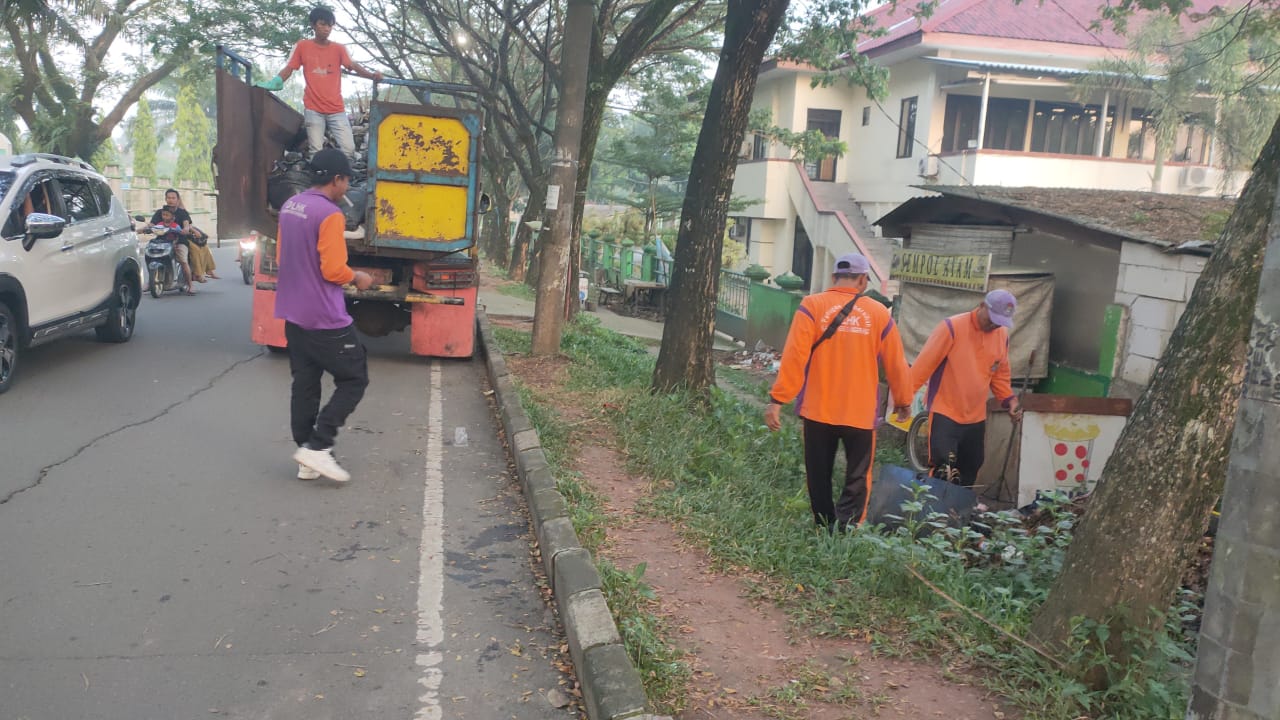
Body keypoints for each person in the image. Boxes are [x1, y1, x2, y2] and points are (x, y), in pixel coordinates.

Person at [764, 253, 913, 531]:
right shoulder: (880, 314)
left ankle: (823, 524)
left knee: (818, 473)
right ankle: (846, 528)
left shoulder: (811, 306)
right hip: (859, 414)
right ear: (862, 280)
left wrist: (777, 400)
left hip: (818, 410)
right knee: (858, 477)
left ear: (834, 278)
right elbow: (896, 362)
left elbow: (795, 357)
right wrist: (903, 400)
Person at [275, 149, 374, 482]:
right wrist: (358, 277)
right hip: (324, 317)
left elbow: (280, 255)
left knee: (305, 383)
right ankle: (319, 446)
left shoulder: (291, 206)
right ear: (337, 179)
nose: (346, 187)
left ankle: (306, 456)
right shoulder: (330, 215)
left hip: (293, 311)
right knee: (354, 378)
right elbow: (333, 270)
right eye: (346, 181)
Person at [909, 289, 1023, 489]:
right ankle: (934, 515)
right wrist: (903, 398)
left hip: (976, 416)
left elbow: (999, 374)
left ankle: (957, 515)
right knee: (944, 465)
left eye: (1000, 322)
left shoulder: (1001, 335)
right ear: (981, 305)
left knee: (972, 465)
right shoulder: (952, 327)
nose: (995, 324)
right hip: (946, 411)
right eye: (992, 318)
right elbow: (923, 366)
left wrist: (1009, 400)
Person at [257, 6, 382, 160]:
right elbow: (290, 68)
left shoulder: (339, 49)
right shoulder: (303, 46)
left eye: (330, 25)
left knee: (349, 149)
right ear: (313, 25)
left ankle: (342, 181)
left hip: (336, 109)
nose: (326, 29)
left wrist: (372, 75)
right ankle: (320, 181)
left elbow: (353, 66)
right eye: (322, 24)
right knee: (316, 150)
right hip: (313, 108)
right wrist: (275, 81)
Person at [151, 189, 218, 282]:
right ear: (165, 199)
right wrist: (142, 229)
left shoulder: (182, 212)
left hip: (180, 239)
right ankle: (151, 281)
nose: (171, 200)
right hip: (162, 240)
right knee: (152, 257)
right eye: (169, 198)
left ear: (178, 200)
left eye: (173, 198)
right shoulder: (160, 212)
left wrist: (188, 229)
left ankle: (197, 276)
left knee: (194, 251)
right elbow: (152, 224)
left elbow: (187, 224)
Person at [152, 207, 196, 295]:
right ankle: (151, 281)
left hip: (176, 244)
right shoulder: (160, 225)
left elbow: (182, 231)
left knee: (183, 261)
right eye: (163, 215)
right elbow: (152, 228)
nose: (164, 217)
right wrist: (144, 230)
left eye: (167, 215)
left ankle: (190, 285)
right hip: (162, 245)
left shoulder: (175, 226)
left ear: (173, 217)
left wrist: (184, 231)